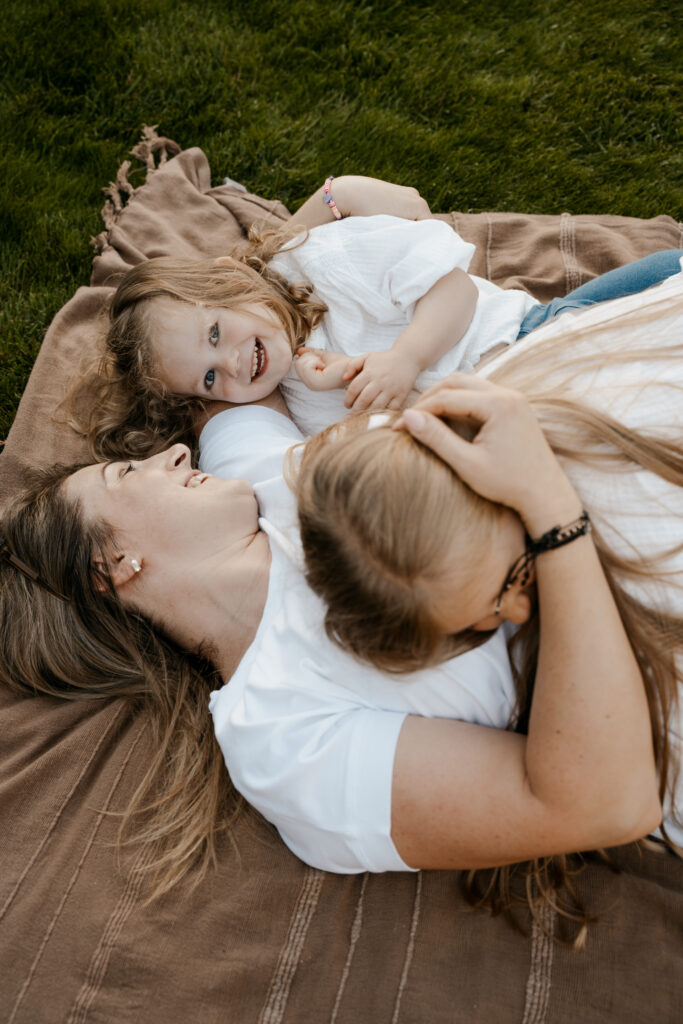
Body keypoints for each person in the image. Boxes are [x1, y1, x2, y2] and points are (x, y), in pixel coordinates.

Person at [0, 301, 666, 923]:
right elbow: (600, 803)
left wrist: (317, 218)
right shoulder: (280, 737)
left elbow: (228, 367)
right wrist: (550, 512)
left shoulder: (250, 469)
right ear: (114, 567)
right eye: (125, 475)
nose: (172, 453)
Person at [73, 173, 683, 452]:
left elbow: (456, 290)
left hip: (523, 340)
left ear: (231, 283)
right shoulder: (285, 389)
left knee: (656, 292)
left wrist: (403, 359)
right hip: (501, 416)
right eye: (208, 378)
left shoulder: (321, 261)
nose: (231, 364)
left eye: (214, 333)